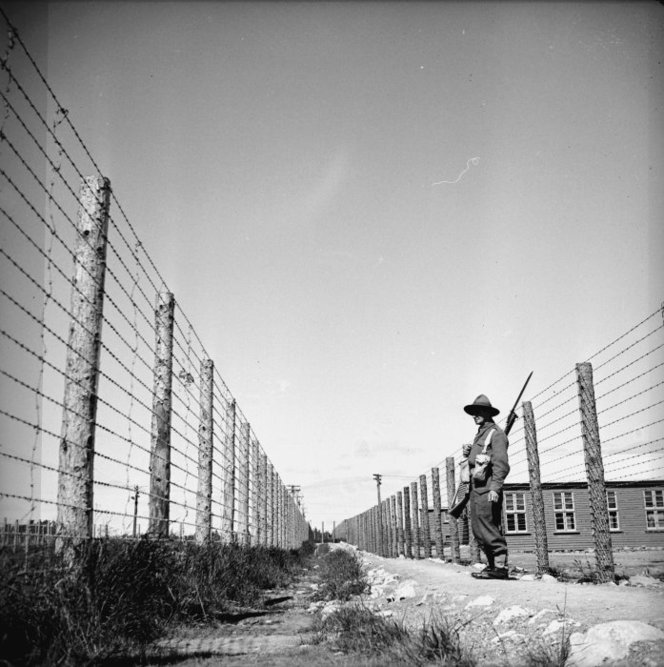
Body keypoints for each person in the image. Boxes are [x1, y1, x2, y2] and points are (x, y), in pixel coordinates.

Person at [462, 394, 510, 580]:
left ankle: (500, 567)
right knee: (478, 529)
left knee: (488, 527)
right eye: (474, 412)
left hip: (488, 489)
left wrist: (495, 489)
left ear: (488, 413)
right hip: (476, 490)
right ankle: (491, 566)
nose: (475, 415)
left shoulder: (496, 434)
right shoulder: (481, 433)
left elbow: (501, 465)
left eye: (479, 411)